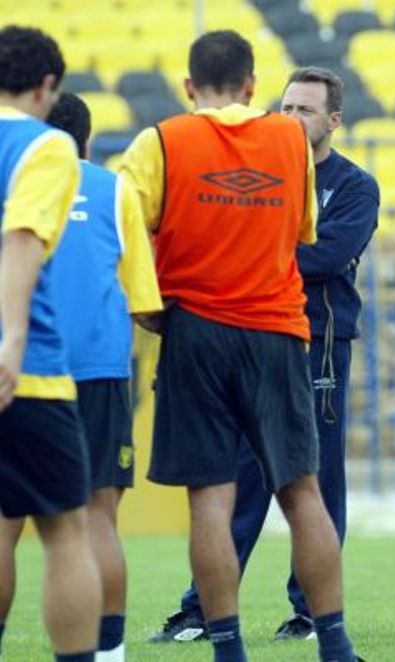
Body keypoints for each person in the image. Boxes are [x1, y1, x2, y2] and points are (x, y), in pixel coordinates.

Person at [117, 31, 358, 662]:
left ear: (188, 86)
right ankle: (335, 645)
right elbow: (303, 229)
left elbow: (124, 226)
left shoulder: (159, 141)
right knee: (302, 492)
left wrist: (146, 306)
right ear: (253, 86)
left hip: (196, 330)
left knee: (210, 498)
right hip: (276, 330)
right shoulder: (290, 141)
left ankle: (228, 649)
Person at [0, 92, 162, 662]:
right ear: (86, 140)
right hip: (94, 369)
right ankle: (108, 655)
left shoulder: (13, 172)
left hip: (14, 366)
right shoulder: (114, 190)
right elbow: (144, 300)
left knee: (4, 523)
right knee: (94, 518)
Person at [0, 25, 102, 662]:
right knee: (66, 532)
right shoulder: (46, 145)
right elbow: (22, 238)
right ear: (46, 87)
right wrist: (11, 340)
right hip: (27, 369)